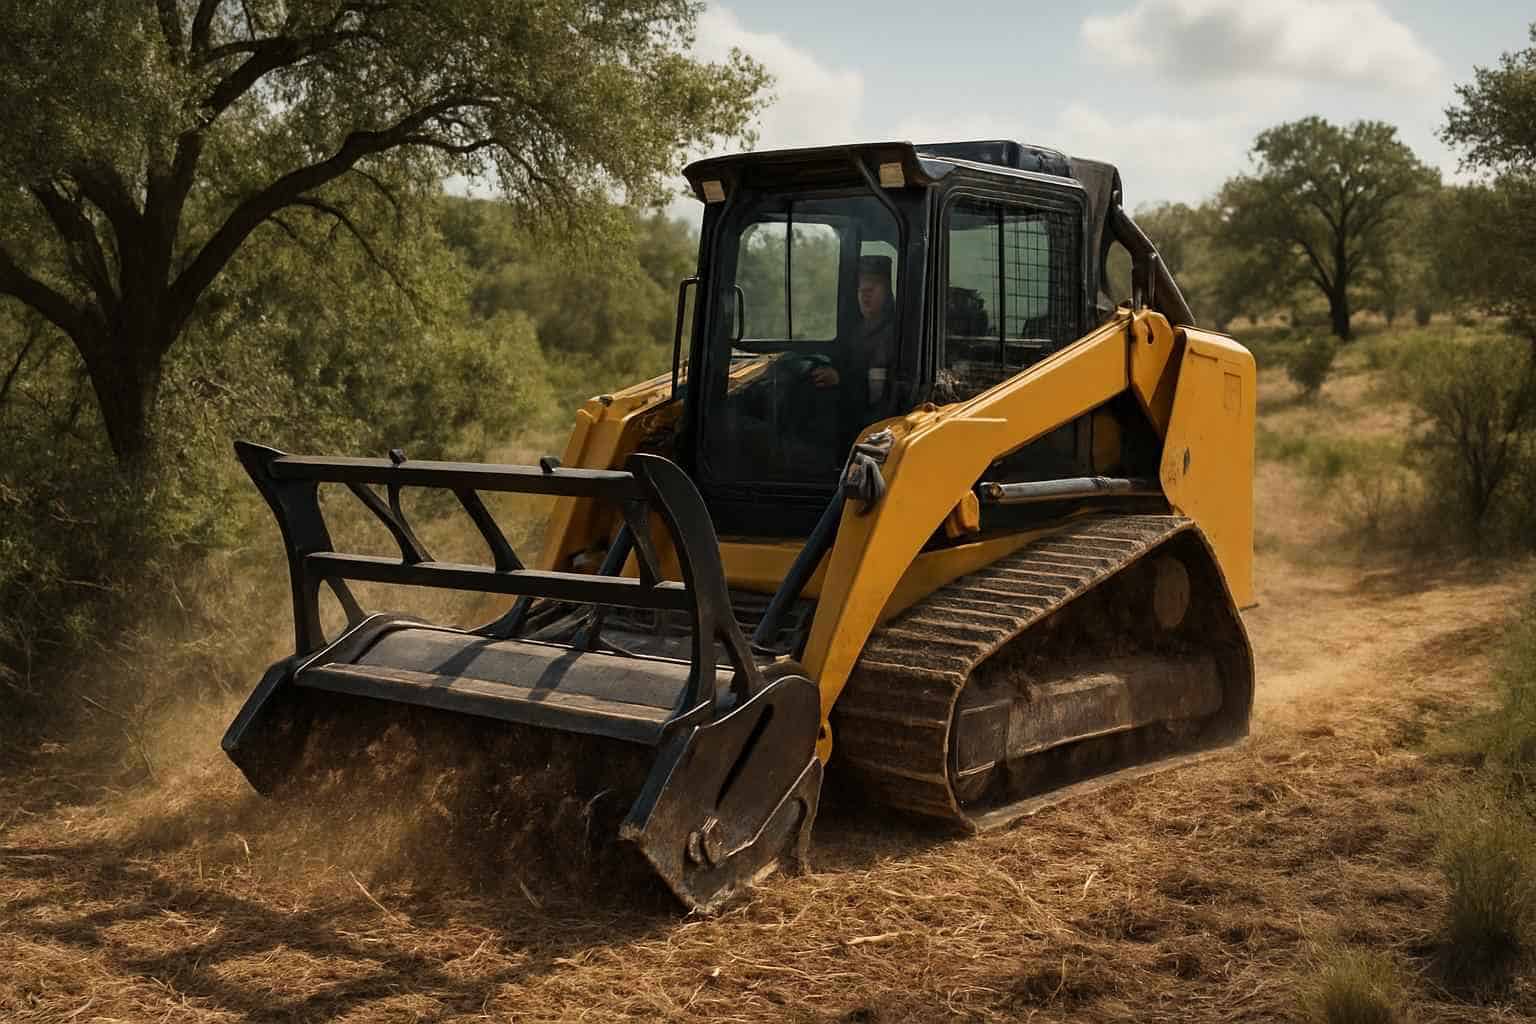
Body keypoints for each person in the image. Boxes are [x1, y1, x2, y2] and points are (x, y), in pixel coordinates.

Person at [810, 254, 896, 407]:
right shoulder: (856, 332)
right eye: (860, 287)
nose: (865, 292)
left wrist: (840, 379)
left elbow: (880, 392)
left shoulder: (895, 333)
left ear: (888, 290)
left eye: (874, 284)